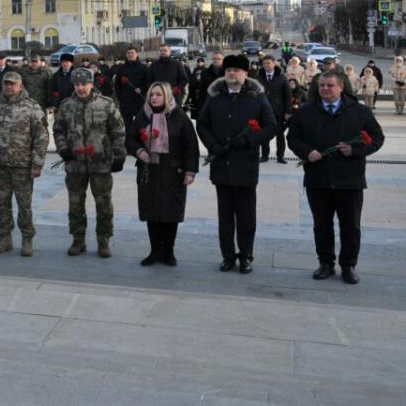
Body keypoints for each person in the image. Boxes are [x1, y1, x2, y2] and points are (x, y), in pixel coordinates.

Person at [288, 70, 385, 285]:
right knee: (321, 225)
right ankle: (326, 263)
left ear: (341, 87)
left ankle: (348, 265)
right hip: (318, 179)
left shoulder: (359, 112)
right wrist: (307, 152)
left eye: (330, 86)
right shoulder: (306, 112)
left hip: (349, 180)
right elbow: (293, 138)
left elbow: (377, 138)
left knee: (350, 226)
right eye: (322, 85)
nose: (325, 89)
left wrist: (355, 150)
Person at [196, 54, 276, 274]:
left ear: (245, 74)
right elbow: (202, 125)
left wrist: (250, 141)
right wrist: (212, 145)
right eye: (228, 70)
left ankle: (246, 256)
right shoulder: (215, 96)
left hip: (245, 165)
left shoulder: (256, 97)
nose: (232, 73)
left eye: (237, 70)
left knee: (246, 216)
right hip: (222, 164)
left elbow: (271, 126)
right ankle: (228, 256)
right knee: (225, 216)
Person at [53, 68, 126, 257]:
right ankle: (78, 240)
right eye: (77, 84)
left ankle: (103, 241)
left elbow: (118, 131)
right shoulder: (66, 105)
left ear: (92, 84)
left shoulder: (106, 105)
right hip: (75, 164)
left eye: (84, 84)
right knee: (75, 204)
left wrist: (119, 156)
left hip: (100, 163)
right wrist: (63, 149)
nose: (81, 88)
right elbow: (58, 129)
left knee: (103, 204)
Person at [126, 82, 199, 266]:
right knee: (152, 212)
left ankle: (168, 251)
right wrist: (139, 151)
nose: (154, 98)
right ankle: (154, 251)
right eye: (152, 95)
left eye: (158, 94)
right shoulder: (143, 115)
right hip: (148, 171)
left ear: (166, 96)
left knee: (170, 213)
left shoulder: (179, 117)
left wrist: (190, 171)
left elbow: (191, 146)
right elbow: (130, 138)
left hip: (173, 172)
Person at [0, 71, 46, 257]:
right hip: (0, 167)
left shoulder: (31, 107)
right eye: (6, 84)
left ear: (20, 85)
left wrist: (37, 163)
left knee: (24, 205)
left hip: (23, 166)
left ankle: (27, 238)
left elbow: (41, 137)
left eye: (13, 84)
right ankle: (5, 238)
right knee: (0, 203)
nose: (9, 87)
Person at [256, 56, 291, 163]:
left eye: (269, 63)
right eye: (265, 63)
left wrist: (288, 111)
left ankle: (280, 156)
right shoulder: (258, 77)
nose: (267, 65)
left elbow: (288, 95)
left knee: (280, 134)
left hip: (278, 111)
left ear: (274, 64)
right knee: (264, 134)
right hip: (263, 111)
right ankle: (265, 155)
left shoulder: (282, 77)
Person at [112, 47, 149, 128]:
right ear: (126, 55)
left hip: (139, 101)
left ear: (137, 54)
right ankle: (128, 139)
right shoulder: (121, 68)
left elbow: (148, 82)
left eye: (132, 53)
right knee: (127, 125)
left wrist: (142, 89)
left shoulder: (143, 68)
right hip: (126, 102)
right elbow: (117, 84)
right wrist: (120, 97)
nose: (130, 55)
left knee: (140, 124)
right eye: (128, 53)